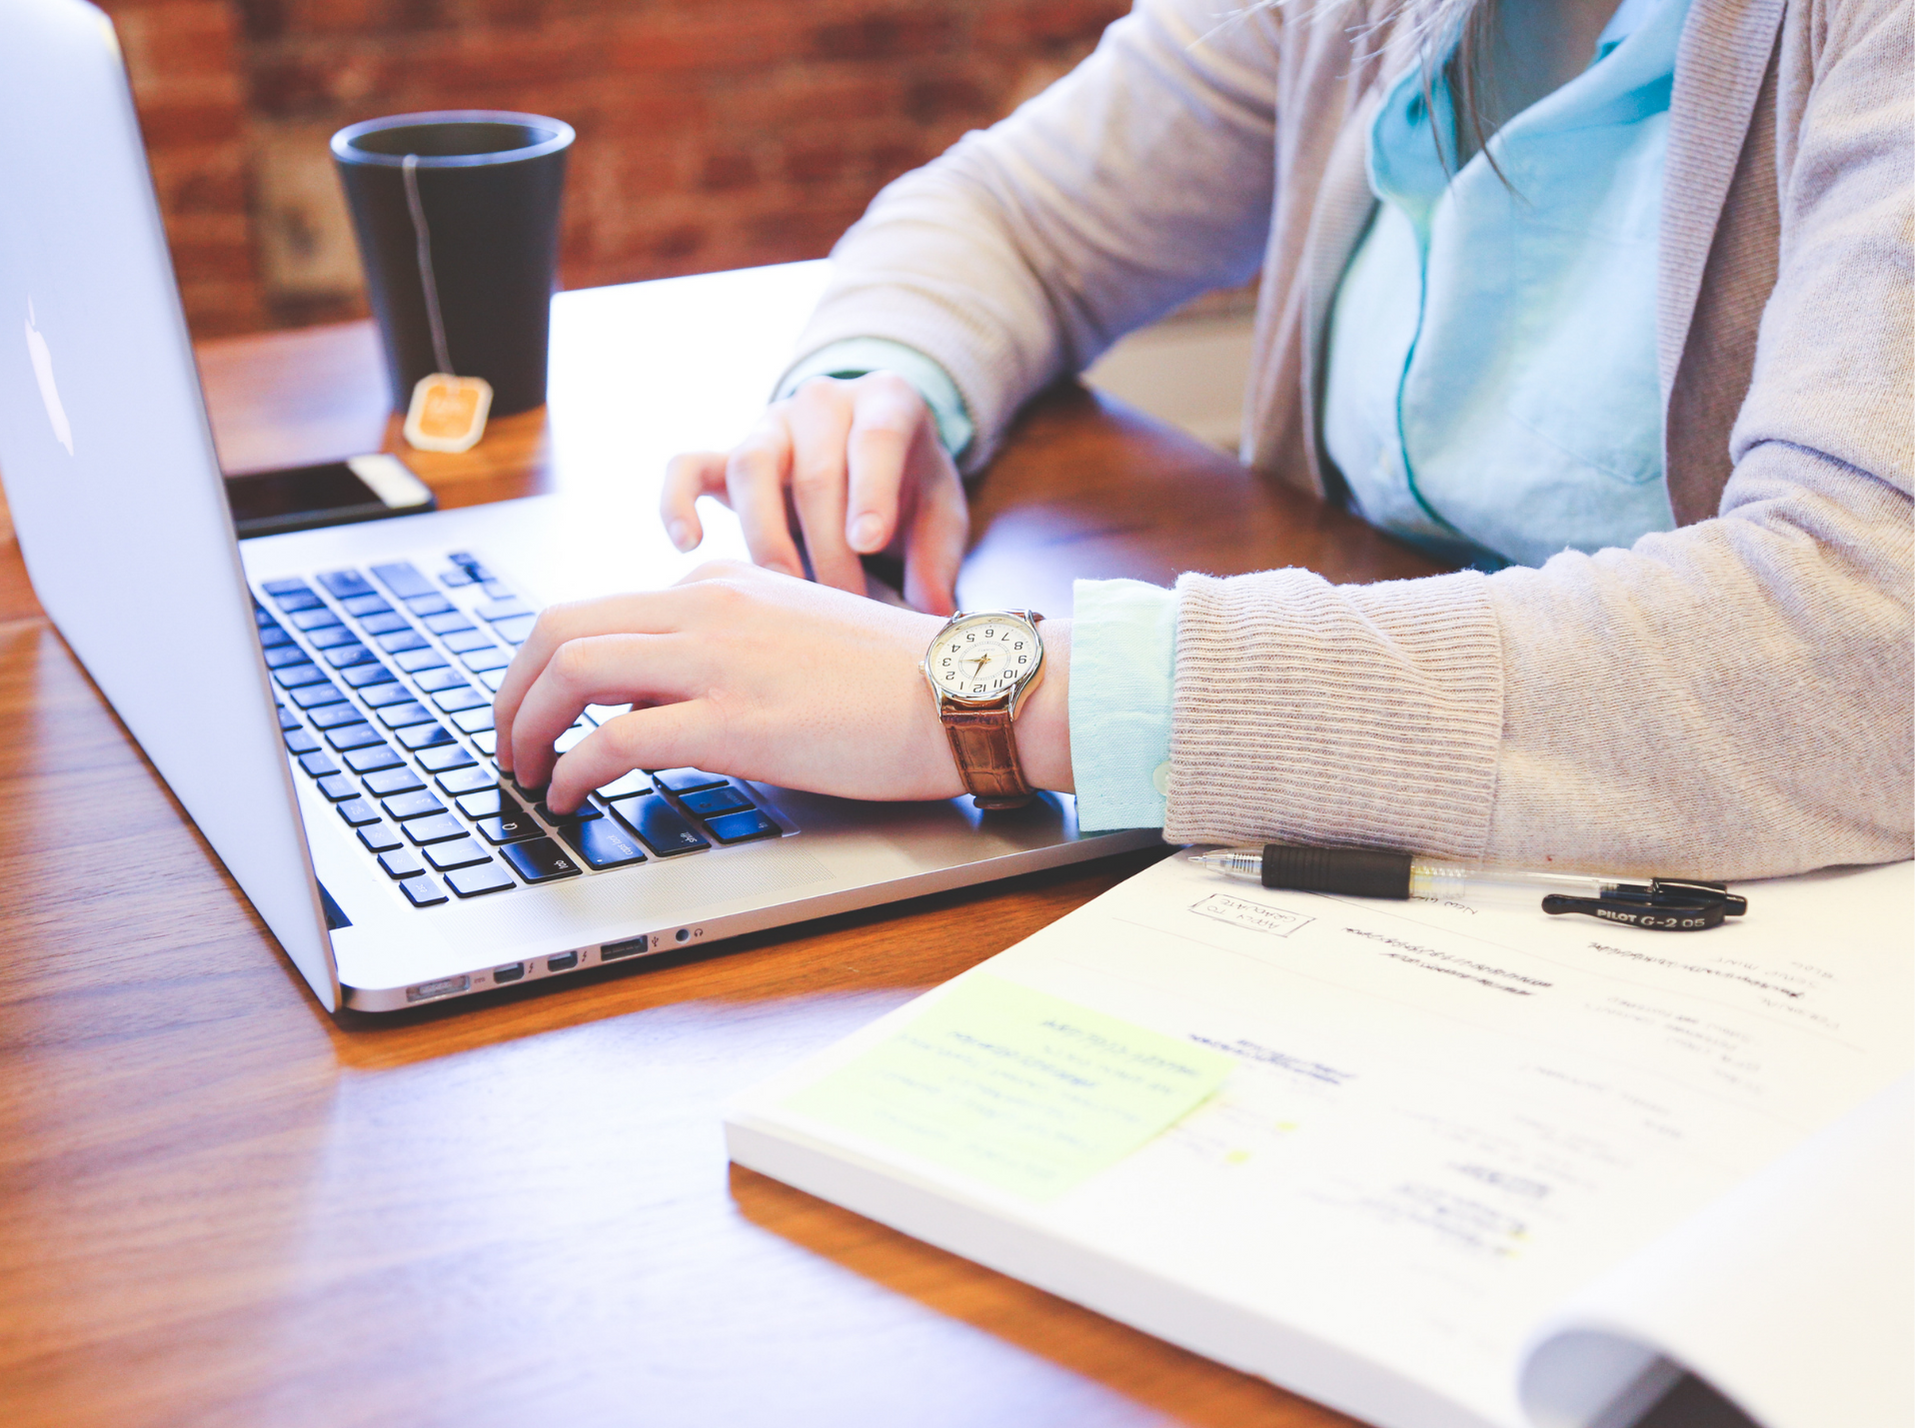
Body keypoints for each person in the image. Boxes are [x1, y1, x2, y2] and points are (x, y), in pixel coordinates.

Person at [494, 0, 1912, 880]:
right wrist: (879, 387)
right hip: (1367, 858)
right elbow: (1016, 212)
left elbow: (1862, 642)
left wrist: (990, 697)